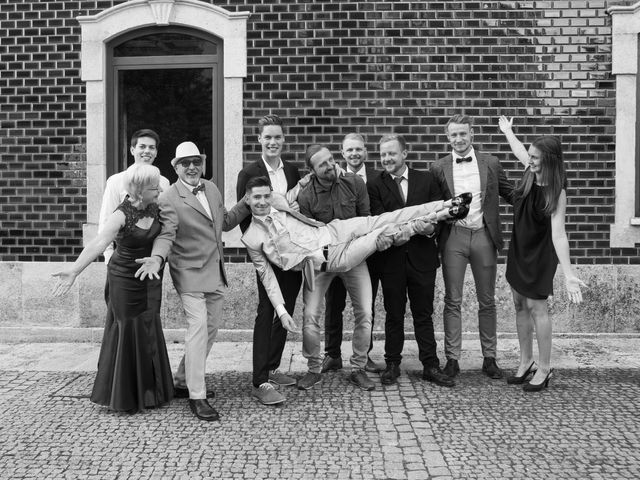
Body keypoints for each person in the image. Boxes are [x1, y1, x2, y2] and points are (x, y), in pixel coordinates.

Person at [241, 175, 471, 336]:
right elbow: (267, 278)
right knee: (382, 233)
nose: (262, 202)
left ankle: (448, 204)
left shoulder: (279, 201)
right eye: (256, 198)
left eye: (265, 196)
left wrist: (331, 171)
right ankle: (442, 216)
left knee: (386, 219)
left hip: (332, 230)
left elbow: (303, 183)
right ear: (247, 199)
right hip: (329, 259)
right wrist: (281, 312)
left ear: (271, 195)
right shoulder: (251, 238)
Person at [135, 141, 250, 421]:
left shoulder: (211, 188)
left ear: (203, 164)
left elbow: (224, 221)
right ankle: (197, 396)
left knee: (211, 330)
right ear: (175, 167)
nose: (191, 167)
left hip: (215, 270)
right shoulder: (168, 198)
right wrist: (157, 258)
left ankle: (183, 380)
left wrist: (248, 201)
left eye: (196, 162)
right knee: (197, 328)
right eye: (185, 163)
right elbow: (167, 234)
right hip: (188, 271)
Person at [52, 164, 173, 413]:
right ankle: (126, 395)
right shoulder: (121, 215)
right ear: (140, 191)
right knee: (128, 327)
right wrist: (74, 270)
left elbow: (168, 233)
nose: (160, 189)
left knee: (150, 324)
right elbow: (98, 243)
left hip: (150, 275)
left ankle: (152, 391)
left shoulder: (155, 206)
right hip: (124, 279)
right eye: (154, 187)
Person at [498, 116, 585, 391]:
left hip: (539, 255)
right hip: (519, 249)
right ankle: (526, 362)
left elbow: (559, 234)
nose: (531, 160)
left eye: (536, 158)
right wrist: (508, 132)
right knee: (519, 305)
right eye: (531, 157)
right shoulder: (529, 174)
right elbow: (520, 151)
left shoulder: (556, 191)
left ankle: (545, 368)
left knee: (537, 308)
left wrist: (569, 273)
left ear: (549, 160)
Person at [430, 114, 514, 380]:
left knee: (487, 300)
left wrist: (539, 199)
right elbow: (433, 204)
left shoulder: (491, 162)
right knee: (452, 299)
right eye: (453, 135)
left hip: (483, 235)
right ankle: (452, 359)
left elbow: (509, 192)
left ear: (472, 134)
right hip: (453, 236)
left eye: (463, 134)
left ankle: (489, 358)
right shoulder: (438, 167)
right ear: (447, 138)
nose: (459, 139)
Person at [236, 114, 311, 406]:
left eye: (277, 137)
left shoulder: (292, 170)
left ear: (283, 139)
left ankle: (273, 367)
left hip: (291, 253)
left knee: (287, 308)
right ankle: (259, 380)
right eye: (268, 137)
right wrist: (264, 249)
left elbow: (296, 209)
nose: (273, 142)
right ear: (259, 139)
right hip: (266, 255)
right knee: (267, 311)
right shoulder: (248, 173)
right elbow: (245, 217)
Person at [367, 134, 454, 388]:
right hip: (391, 261)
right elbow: (379, 219)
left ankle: (430, 365)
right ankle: (392, 363)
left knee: (423, 314)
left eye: (392, 154)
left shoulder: (427, 180)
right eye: (383, 154)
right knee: (394, 314)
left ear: (405, 153)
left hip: (422, 259)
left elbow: (439, 216)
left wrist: (430, 230)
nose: (387, 159)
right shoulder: (375, 184)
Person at [297, 144, 375, 391]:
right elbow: (307, 236)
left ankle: (358, 368)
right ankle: (313, 369)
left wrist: (356, 249)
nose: (330, 166)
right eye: (323, 164)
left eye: (331, 160)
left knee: (365, 312)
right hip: (321, 260)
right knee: (310, 315)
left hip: (353, 257)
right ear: (312, 171)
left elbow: (366, 221)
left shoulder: (354, 183)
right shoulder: (305, 195)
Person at [321, 133, 383, 375]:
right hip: (337, 252)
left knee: (365, 306)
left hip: (367, 253)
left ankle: (364, 354)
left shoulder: (378, 179)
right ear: (342, 153)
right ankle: (332, 354)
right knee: (333, 304)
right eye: (350, 150)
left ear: (365, 151)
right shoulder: (333, 178)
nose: (355, 154)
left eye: (359, 149)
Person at [98, 129, 170, 264]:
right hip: (124, 259)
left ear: (156, 152)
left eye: (152, 147)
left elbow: (166, 222)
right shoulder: (116, 181)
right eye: (142, 146)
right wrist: (108, 257)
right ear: (132, 150)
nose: (147, 151)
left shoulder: (164, 182)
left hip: (153, 259)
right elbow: (106, 219)